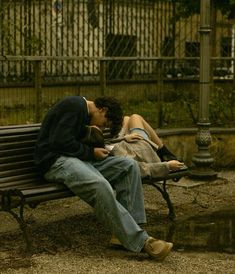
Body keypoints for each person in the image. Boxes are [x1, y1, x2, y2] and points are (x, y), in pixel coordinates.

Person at [34, 95, 173, 261]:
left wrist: (101, 148)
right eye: (105, 123)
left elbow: (73, 141)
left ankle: (126, 233)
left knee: (129, 166)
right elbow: (59, 142)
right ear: (103, 110)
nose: (101, 126)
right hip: (55, 162)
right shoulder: (74, 105)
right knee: (100, 185)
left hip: (76, 160)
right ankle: (141, 241)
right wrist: (91, 152)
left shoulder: (83, 112)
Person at [107, 114, 185, 178]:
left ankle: (164, 153)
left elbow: (108, 145)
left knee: (127, 119)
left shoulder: (102, 147)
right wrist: (167, 166)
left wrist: (123, 138)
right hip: (137, 152)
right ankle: (164, 152)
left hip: (124, 146)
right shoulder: (121, 161)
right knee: (135, 117)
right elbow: (141, 168)